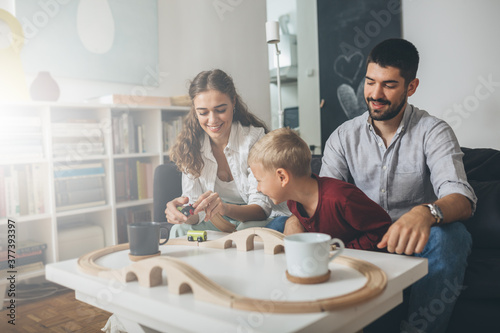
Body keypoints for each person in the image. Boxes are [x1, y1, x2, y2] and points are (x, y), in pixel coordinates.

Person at [319, 39, 477, 333]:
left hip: (415, 243)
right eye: (370, 82)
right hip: (362, 240)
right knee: (280, 224)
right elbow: (324, 198)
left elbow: (462, 198)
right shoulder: (342, 137)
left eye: (389, 85)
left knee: (452, 236)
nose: (375, 94)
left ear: (411, 87)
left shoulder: (433, 131)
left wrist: (425, 212)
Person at [165, 69, 288, 238]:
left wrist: (225, 208)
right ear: (195, 111)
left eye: (220, 109)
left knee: (246, 233)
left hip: (253, 218)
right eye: (203, 112)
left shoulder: (254, 139)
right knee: (178, 230)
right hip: (217, 219)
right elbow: (196, 212)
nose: (213, 120)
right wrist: (183, 213)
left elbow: (262, 209)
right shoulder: (190, 147)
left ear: (233, 103)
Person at [248, 127, 391, 250]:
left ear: (282, 177)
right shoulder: (293, 201)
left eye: (259, 181)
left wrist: (345, 250)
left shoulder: (341, 198)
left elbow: (382, 228)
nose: (259, 188)